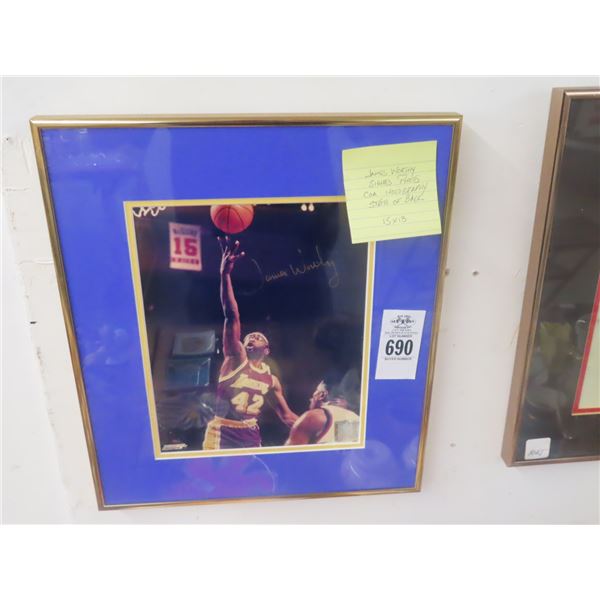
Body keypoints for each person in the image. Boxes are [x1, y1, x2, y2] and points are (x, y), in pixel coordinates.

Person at [203, 237, 298, 450]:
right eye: (249, 337)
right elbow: (231, 314)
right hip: (223, 431)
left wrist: (318, 426)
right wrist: (225, 275)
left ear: (266, 350)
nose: (252, 337)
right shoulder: (236, 358)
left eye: (258, 337)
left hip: (251, 434)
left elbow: (287, 417)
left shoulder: (272, 381)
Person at [286, 380, 359, 445]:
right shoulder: (354, 419)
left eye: (316, 391)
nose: (310, 399)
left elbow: (290, 453)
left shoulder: (314, 416)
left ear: (322, 395)